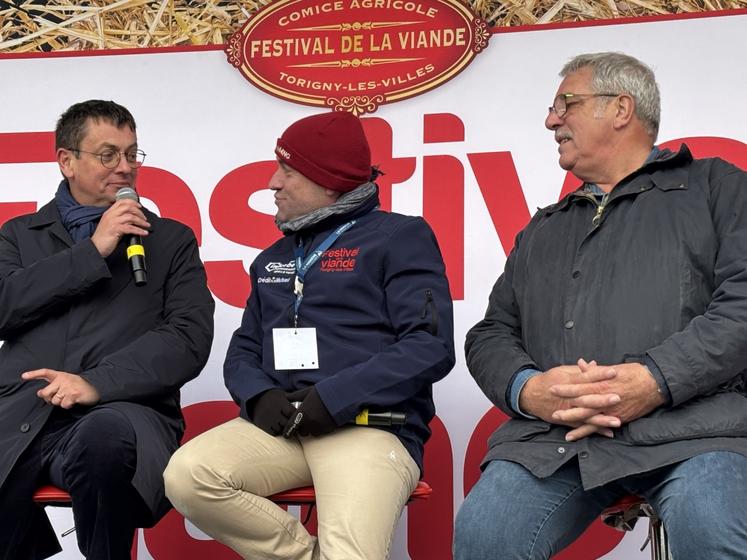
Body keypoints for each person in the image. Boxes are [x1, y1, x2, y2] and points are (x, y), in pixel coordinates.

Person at [454, 52, 747, 559]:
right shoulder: (544, 226)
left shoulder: (717, 187)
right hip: (556, 438)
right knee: (485, 537)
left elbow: (741, 305)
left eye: (565, 103)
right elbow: (491, 333)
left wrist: (654, 379)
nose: (552, 120)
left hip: (700, 431)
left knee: (711, 528)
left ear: (621, 109)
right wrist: (531, 390)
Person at [164, 111, 455, 559]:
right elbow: (244, 348)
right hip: (284, 431)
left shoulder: (400, 236)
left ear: (329, 181)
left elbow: (429, 346)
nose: (272, 183)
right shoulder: (273, 258)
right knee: (189, 475)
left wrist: (333, 397)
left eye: (288, 171)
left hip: (369, 428)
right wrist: (259, 396)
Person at [0, 99, 215, 559]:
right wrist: (94, 250)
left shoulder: (170, 240)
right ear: (67, 161)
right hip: (20, 412)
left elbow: (188, 339)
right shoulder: (18, 235)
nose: (125, 168)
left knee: (106, 440)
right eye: (108, 154)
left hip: (122, 410)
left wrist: (95, 384)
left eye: (132, 154)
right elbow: (4, 307)